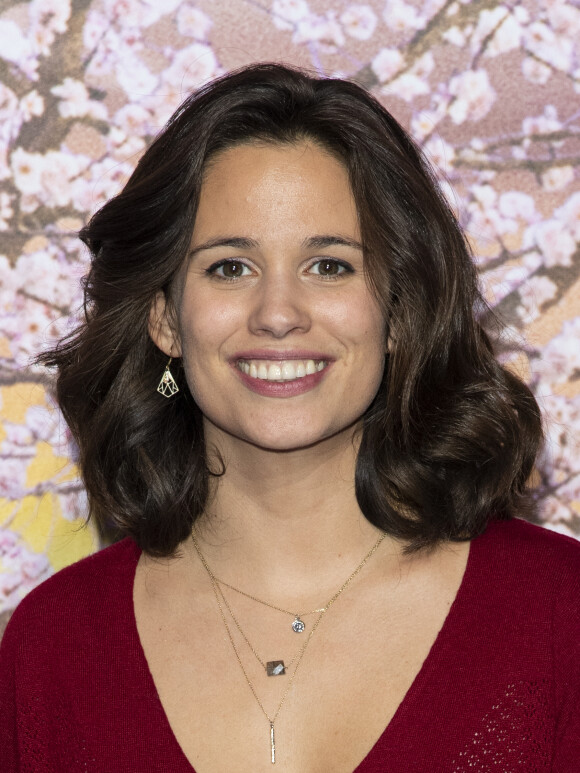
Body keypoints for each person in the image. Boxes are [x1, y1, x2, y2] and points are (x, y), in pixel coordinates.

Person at [0, 63, 578, 772]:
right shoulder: (53, 648)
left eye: (330, 266)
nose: (278, 313)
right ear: (164, 318)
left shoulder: (558, 615)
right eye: (229, 268)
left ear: (398, 310)